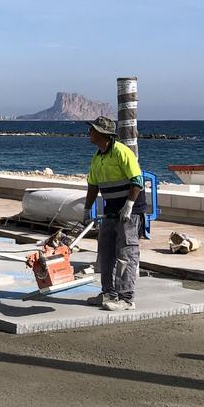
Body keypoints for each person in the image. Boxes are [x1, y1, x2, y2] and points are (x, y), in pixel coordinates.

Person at [83, 116, 146, 311]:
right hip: (110, 211)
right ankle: (108, 293)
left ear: (103, 133)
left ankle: (126, 298)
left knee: (126, 252)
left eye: (92, 130)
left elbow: (137, 180)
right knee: (106, 252)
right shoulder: (98, 157)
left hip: (130, 211)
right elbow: (93, 186)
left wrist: (129, 204)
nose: (89, 133)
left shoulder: (121, 152)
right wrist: (87, 208)